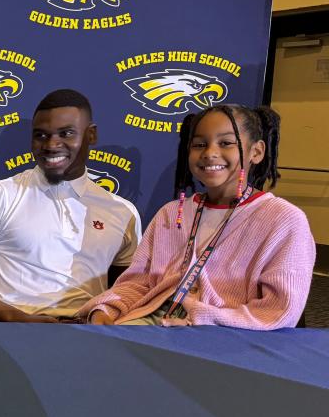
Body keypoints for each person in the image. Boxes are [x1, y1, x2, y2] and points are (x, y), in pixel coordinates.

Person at [80, 105, 315, 328]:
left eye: (226, 143)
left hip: (224, 334)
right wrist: (106, 309)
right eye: (200, 144)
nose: (210, 153)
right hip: (151, 319)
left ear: (256, 151)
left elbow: (278, 311)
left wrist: (202, 319)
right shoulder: (172, 213)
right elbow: (138, 283)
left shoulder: (283, 220)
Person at [0, 89, 141, 322]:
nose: (51, 145)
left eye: (66, 133)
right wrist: (17, 318)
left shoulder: (123, 212)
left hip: (89, 338)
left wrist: (99, 319)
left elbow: (129, 289)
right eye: (41, 135)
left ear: (91, 135)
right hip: (13, 335)